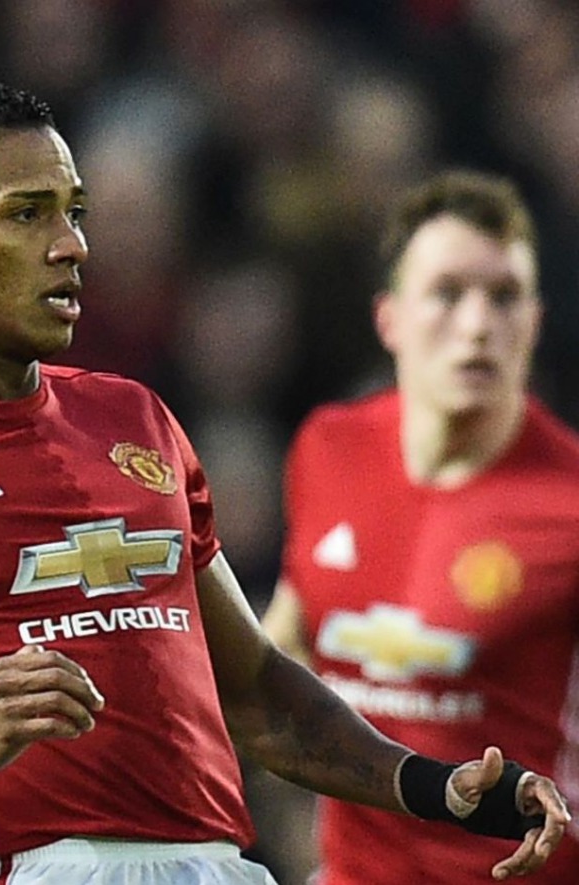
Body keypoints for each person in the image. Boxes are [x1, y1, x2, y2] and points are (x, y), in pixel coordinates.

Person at [0, 80, 570, 885]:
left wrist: (434, 784)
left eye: (74, 211)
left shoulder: (134, 419)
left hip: (224, 868)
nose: (71, 245)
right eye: (26, 214)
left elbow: (257, 692)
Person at [262, 169, 579, 883]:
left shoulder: (569, 504)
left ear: (533, 320)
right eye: (447, 293)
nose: (477, 324)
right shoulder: (327, 446)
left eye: (504, 297)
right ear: (390, 319)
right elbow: (286, 643)